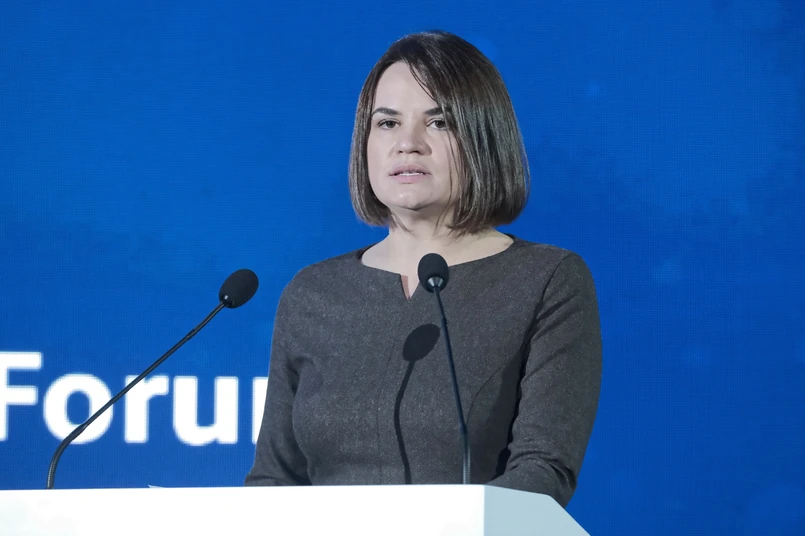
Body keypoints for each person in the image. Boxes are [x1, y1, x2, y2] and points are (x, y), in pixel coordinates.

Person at [245, 30, 602, 508]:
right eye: (387, 123)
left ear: (483, 137)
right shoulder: (314, 293)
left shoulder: (546, 281)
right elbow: (273, 480)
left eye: (438, 122)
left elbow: (543, 471)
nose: (407, 144)